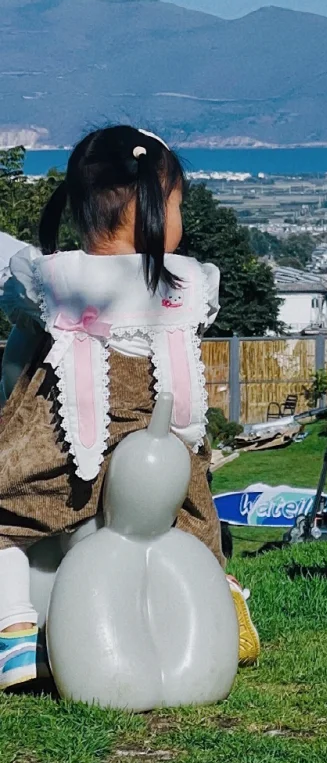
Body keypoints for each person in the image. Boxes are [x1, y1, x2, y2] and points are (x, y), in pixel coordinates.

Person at [0, 126, 259, 689]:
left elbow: (18, 304)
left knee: (6, 511)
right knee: (193, 519)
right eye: (177, 205)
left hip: (70, 441)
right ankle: (221, 593)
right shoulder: (188, 281)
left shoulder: (52, 278)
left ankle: (14, 627)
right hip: (165, 441)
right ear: (150, 209)